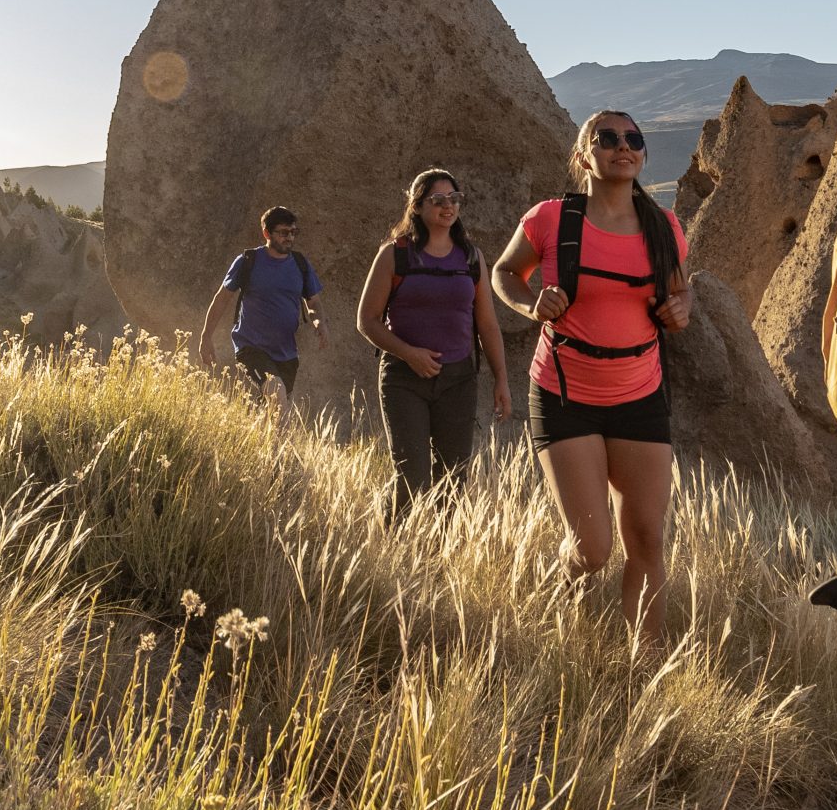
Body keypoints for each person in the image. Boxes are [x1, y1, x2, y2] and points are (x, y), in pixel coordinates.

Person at [492, 111, 690, 651]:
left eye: (633, 139)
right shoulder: (551, 219)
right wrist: (530, 303)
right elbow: (505, 272)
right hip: (565, 394)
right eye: (608, 139)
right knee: (593, 549)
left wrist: (682, 308)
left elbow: (680, 289)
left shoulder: (664, 227)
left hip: (640, 394)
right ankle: (559, 597)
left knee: (647, 539)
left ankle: (644, 666)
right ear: (584, 155)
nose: (623, 147)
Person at [355, 169, 513, 517]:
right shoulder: (394, 254)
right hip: (404, 379)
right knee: (412, 478)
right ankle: (394, 539)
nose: (448, 206)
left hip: (458, 380)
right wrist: (409, 354)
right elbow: (367, 320)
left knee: (452, 482)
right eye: (438, 200)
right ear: (416, 205)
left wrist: (501, 379)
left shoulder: (471, 257)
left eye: (454, 199)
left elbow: (487, 325)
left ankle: (439, 550)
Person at [194, 205, 325, 421]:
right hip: (251, 347)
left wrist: (320, 323)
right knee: (277, 392)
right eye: (283, 232)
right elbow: (222, 298)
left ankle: (255, 441)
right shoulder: (248, 261)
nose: (290, 238)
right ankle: (284, 445)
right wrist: (206, 336)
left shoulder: (300, 264)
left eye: (293, 232)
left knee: (273, 411)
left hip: (287, 353)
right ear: (267, 233)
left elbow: (314, 302)